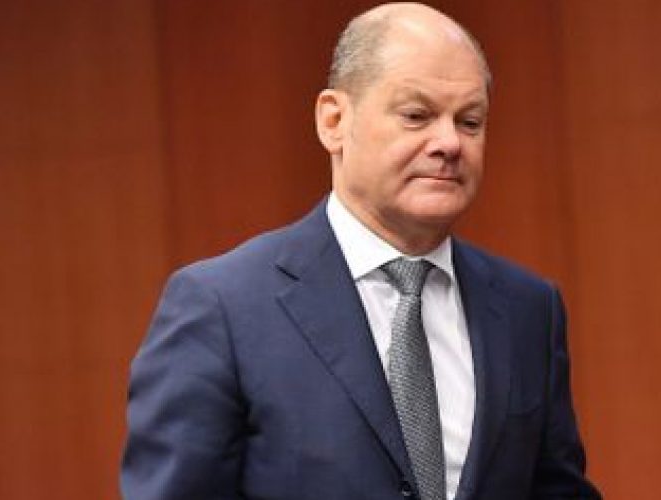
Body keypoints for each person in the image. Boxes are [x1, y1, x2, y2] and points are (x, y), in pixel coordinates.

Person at [120, 3, 601, 499]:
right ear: (333, 121)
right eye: (417, 116)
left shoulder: (528, 309)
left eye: (470, 122)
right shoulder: (224, 308)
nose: (450, 143)